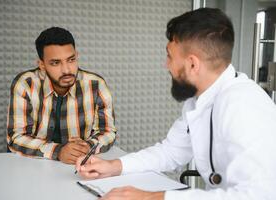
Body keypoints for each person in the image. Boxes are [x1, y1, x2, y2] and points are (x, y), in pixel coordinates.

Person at [76, 8, 276, 200]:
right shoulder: (199, 99)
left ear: (192, 64)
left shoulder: (244, 105)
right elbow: (172, 151)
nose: (166, 65)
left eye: (170, 56)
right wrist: (114, 165)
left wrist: (152, 197)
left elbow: (260, 195)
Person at [7, 27, 117, 164]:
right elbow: (15, 138)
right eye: (55, 63)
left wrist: (88, 146)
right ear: (41, 64)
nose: (66, 70)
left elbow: (108, 132)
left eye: (71, 60)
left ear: (76, 55)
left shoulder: (96, 84)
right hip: (33, 164)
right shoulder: (25, 84)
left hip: (77, 165)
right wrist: (58, 151)